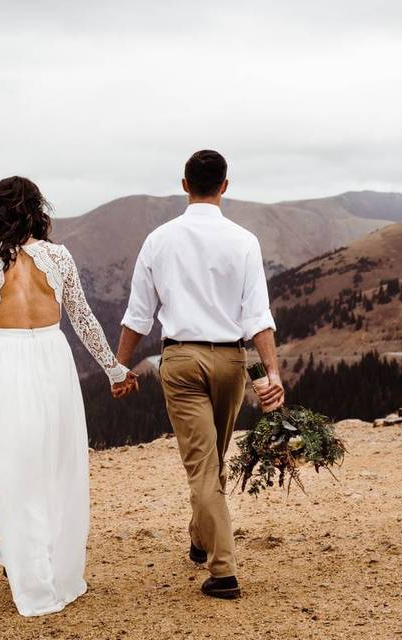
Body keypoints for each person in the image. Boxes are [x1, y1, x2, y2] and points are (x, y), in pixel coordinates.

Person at [114, 150, 284, 600]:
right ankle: (200, 536)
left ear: (184, 184)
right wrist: (272, 371)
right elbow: (258, 317)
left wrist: (119, 367)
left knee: (204, 466)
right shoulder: (244, 240)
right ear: (225, 185)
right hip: (232, 363)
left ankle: (224, 571)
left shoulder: (159, 239)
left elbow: (138, 317)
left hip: (182, 362)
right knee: (210, 463)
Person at [0, 175, 137, 617]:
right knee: (57, 463)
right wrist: (114, 369)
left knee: (14, 465)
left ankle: (26, 563)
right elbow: (82, 319)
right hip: (52, 361)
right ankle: (49, 567)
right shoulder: (58, 256)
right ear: (37, 209)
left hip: (6, 361)